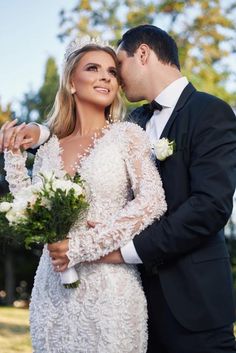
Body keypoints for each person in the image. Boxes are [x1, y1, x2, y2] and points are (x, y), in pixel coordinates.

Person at [1, 24, 236, 353]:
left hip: (191, 301)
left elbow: (209, 208)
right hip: (128, 297)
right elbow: (83, 135)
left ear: (142, 54)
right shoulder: (134, 122)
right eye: (96, 69)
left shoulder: (210, 112)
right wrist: (38, 132)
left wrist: (114, 251)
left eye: (117, 66)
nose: (113, 78)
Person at [2, 36, 167, 353]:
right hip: (52, 290)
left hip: (111, 290)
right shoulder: (49, 147)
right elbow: (32, 212)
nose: (106, 76)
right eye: (93, 68)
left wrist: (82, 246)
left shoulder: (128, 136)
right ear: (71, 83)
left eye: (111, 71)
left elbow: (152, 202)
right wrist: (13, 155)